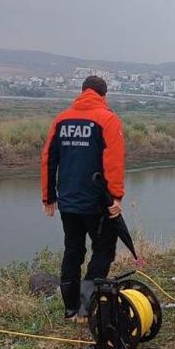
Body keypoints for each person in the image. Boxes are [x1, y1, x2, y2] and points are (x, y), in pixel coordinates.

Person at [40, 76, 125, 321]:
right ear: (104, 95)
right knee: (104, 250)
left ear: (82, 92)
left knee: (72, 250)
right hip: (97, 201)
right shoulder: (107, 119)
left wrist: (49, 196)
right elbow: (114, 163)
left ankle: (70, 309)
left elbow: (49, 158)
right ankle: (87, 308)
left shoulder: (61, 119)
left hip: (67, 200)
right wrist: (116, 197)